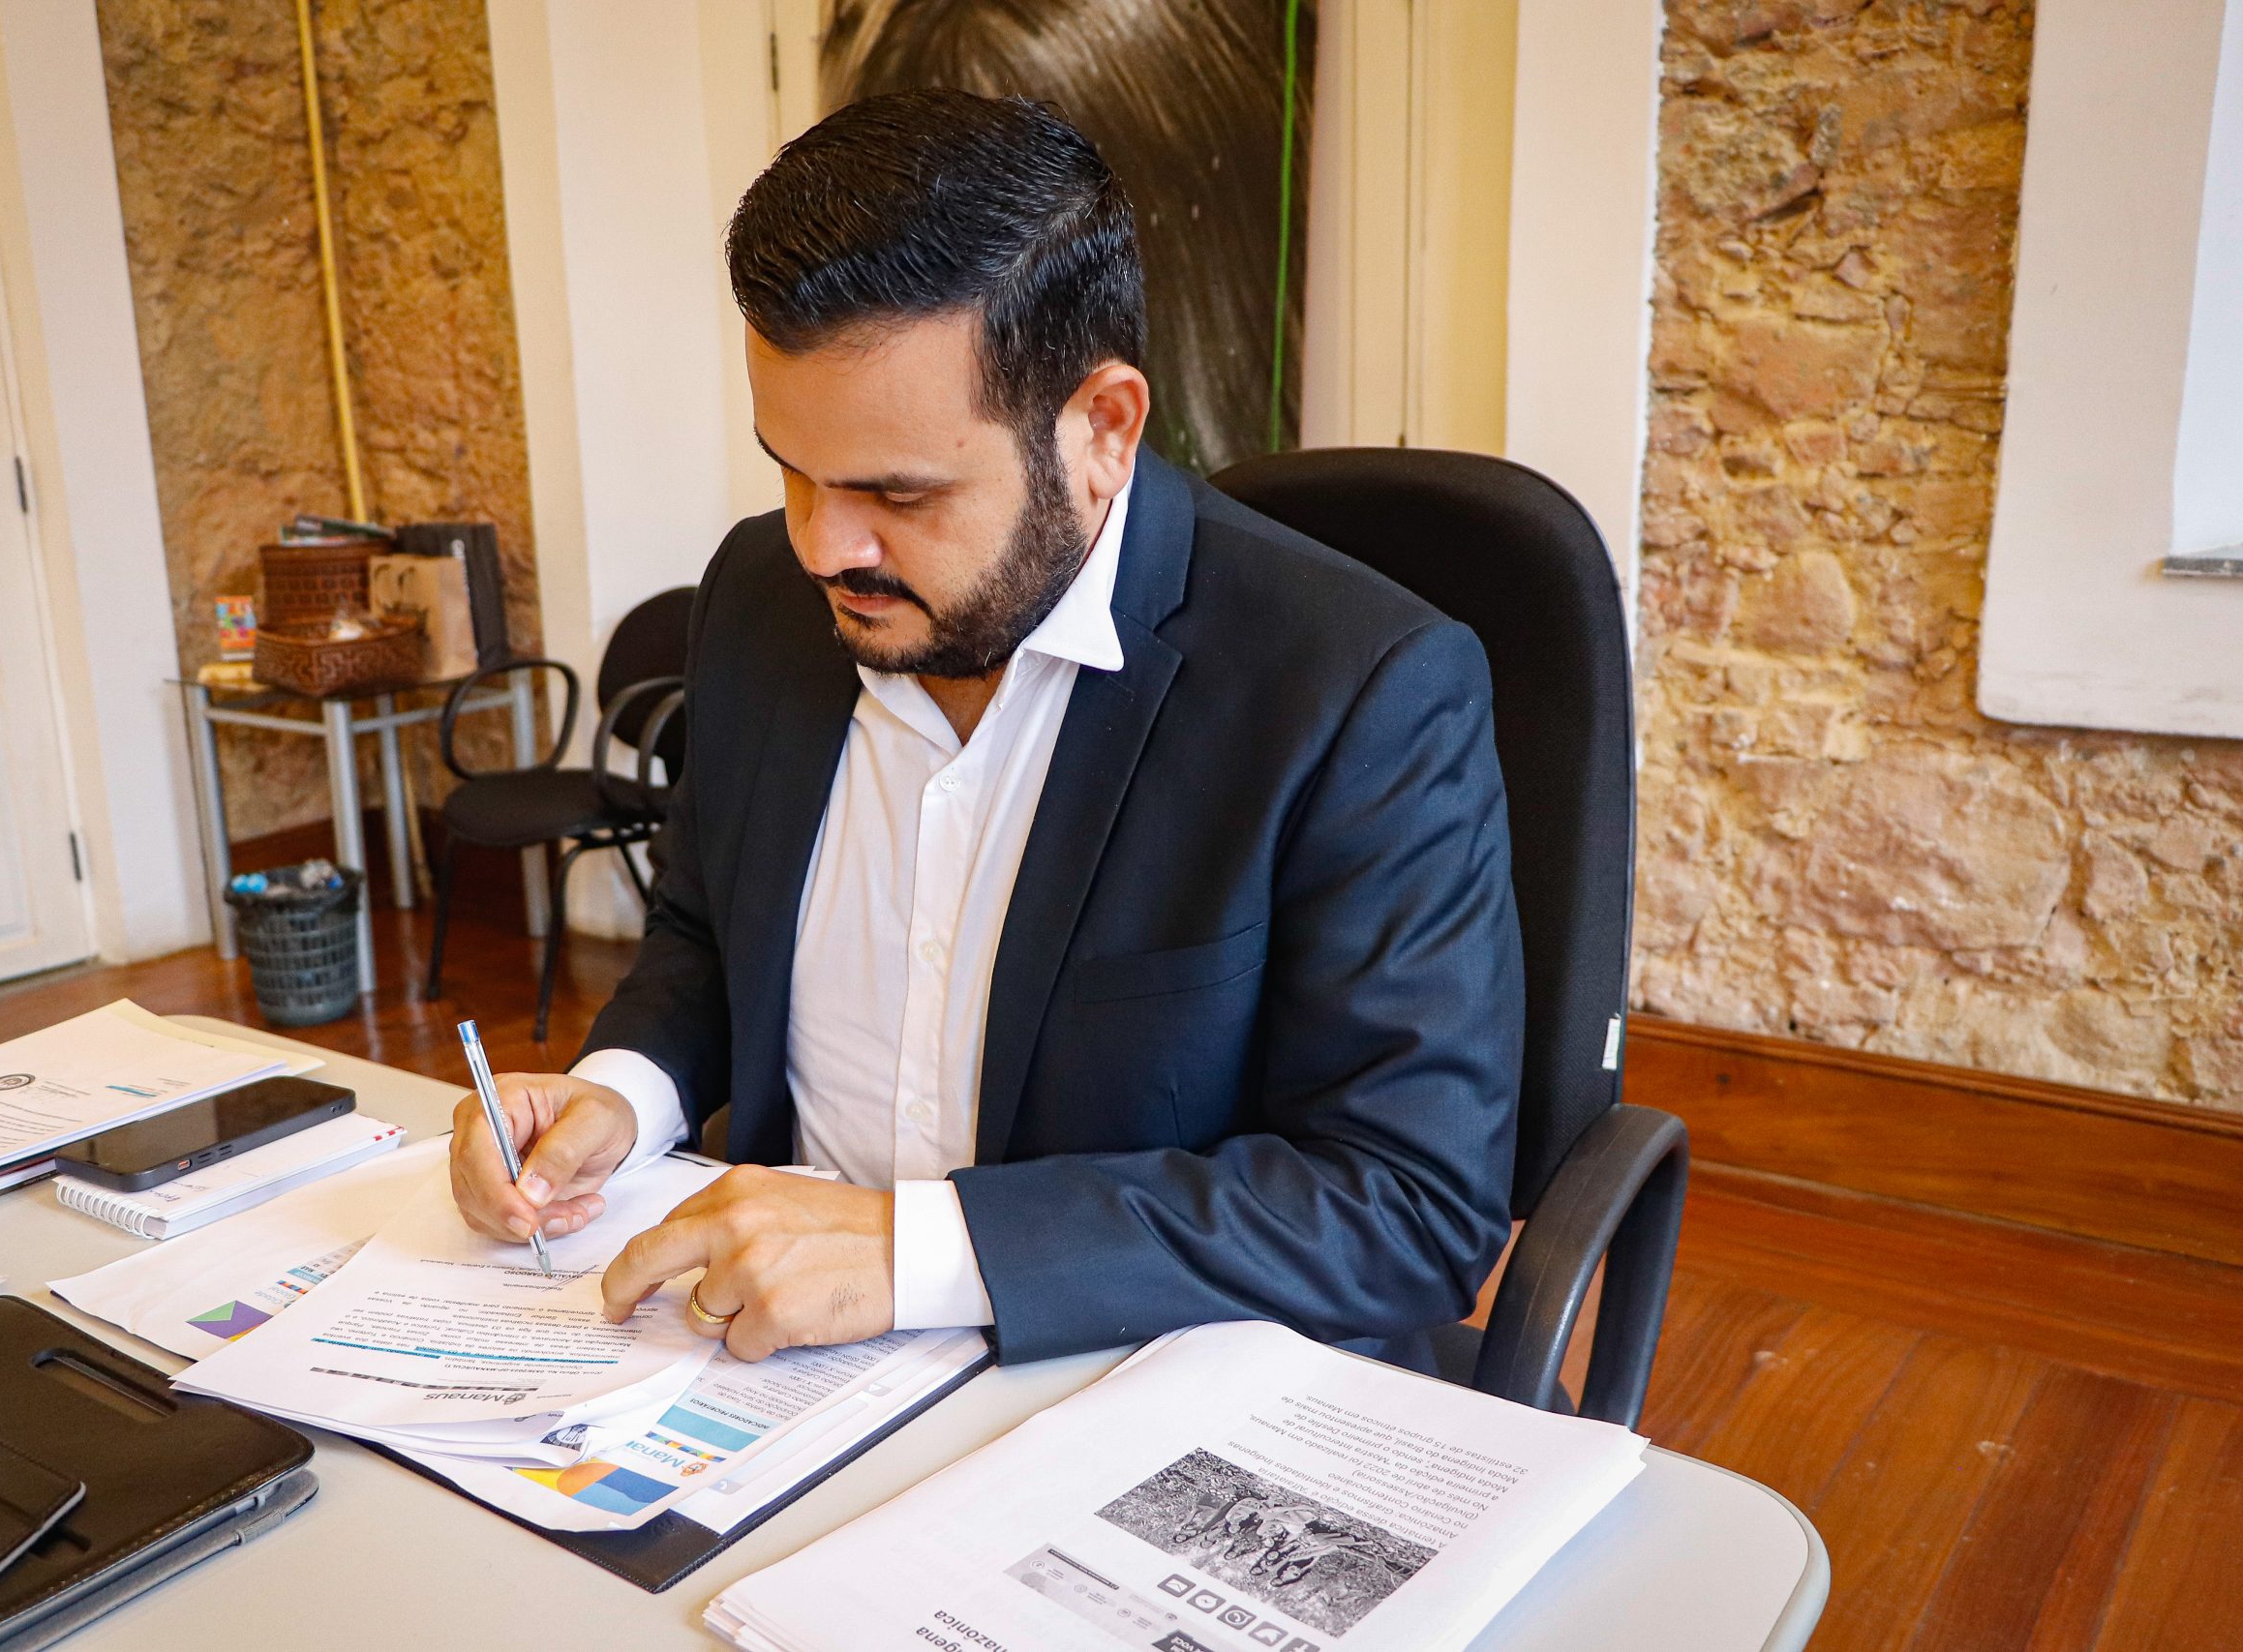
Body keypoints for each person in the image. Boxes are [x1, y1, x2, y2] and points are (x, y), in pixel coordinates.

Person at [448, 88, 1522, 1367]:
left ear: (1103, 429)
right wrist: (623, 1096)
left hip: (1126, 1372)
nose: (822, 546)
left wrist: (919, 1251)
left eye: (898, 493)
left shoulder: (1359, 689)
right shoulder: (757, 596)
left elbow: (1408, 1205)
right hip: (764, 1366)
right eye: (791, 467)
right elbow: (705, 933)